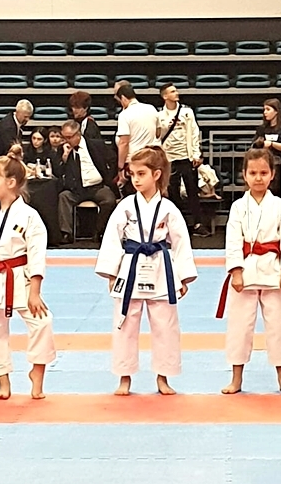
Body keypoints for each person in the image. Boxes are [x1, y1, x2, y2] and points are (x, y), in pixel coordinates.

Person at [95, 146, 197, 396]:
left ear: (157, 174)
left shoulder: (169, 208)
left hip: (160, 267)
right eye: (132, 174)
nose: (136, 180)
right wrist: (111, 272)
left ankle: (163, 377)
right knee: (124, 324)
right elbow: (112, 238)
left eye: (141, 174)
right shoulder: (126, 206)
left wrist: (183, 277)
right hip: (131, 267)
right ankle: (124, 377)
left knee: (166, 326)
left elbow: (181, 241)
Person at [0, 156, 56, 400]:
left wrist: (35, 292)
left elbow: (37, 256)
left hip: (19, 275)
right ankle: (2, 382)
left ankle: (37, 373)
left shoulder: (30, 217)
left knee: (42, 322)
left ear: (11, 182)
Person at [216, 148, 281, 394]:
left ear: (272, 174)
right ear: (244, 175)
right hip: (245, 270)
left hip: (274, 270)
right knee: (239, 328)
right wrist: (235, 271)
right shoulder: (238, 207)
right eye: (253, 173)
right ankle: (236, 379)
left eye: (263, 172)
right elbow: (232, 241)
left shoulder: (280, 206)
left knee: (279, 327)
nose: (258, 178)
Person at [158, 83, 211, 237]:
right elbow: (157, 136)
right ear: (165, 96)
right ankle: (177, 225)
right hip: (169, 159)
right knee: (173, 193)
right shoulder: (159, 115)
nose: (176, 93)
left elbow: (194, 133)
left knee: (192, 191)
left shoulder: (187, 112)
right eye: (172, 91)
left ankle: (198, 223)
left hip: (186, 157)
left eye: (176, 90)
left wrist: (196, 154)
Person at [57, 120, 117, 244]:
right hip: (76, 189)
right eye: (64, 137)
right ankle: (66, 233)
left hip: (97, 187)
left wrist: (109, 177)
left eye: (69, 137)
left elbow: (113, 159)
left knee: (109, 200)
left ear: (78, 135)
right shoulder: (62, 149)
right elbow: (58, 172)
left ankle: (99, 232)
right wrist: (65, 157)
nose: (66, 141)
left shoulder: (96, 145)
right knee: (64, 197)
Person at [114, 83, 161, 196]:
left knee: (134, 196)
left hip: (134, 160)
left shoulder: (124, 114)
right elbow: (158, 132)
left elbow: (124, 142)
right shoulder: (151, 108)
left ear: (123, 98)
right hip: (151, 158)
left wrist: (120, 167)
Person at [253, 99, 281, 196]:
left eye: (268, 109)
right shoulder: (262, 128)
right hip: (264, 162)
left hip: (280, 164)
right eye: (264, 110)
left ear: (276, 111)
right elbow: (254, 144)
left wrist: (271, 144)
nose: (265, 112)